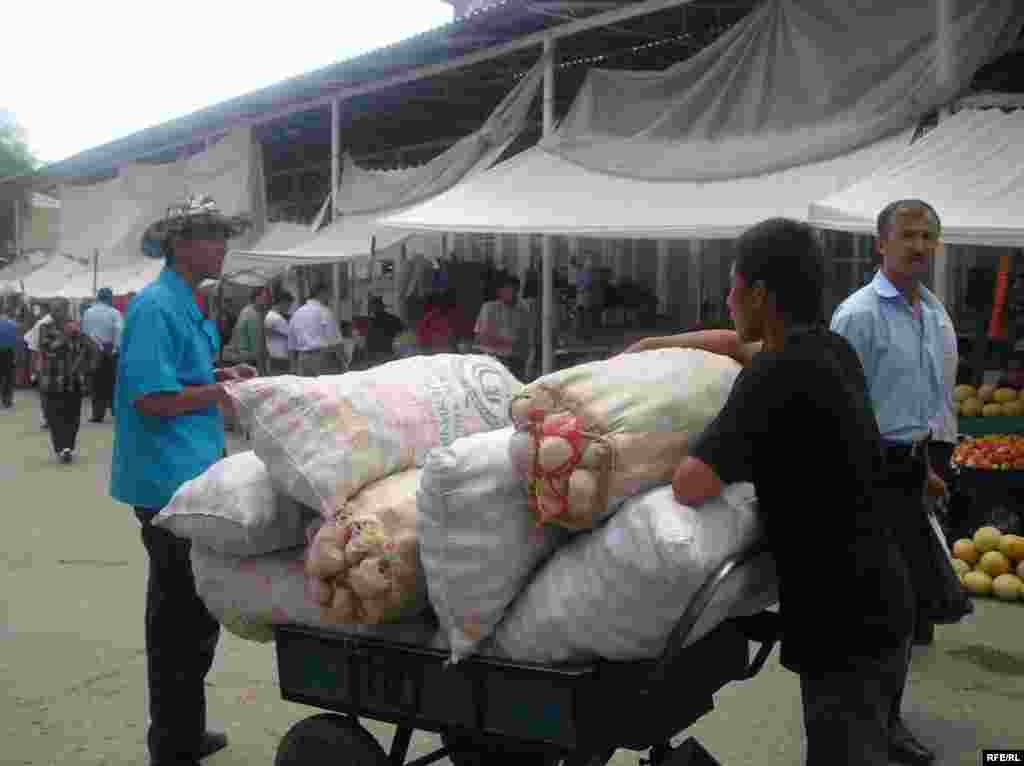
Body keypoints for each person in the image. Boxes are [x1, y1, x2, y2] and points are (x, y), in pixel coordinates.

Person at [665, 219, 915, 766]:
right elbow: (737, 344)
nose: (728, 300)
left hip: (842, 618)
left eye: (733, 286)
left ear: (757, 294)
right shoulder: (830, 351)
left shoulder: (772, 376)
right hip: (884, 595)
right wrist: (655, 347)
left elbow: (691, 483)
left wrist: (663, 448)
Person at [111, 194, 256, 766]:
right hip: (165, 484)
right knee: (177, 620)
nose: (222, 245)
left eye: (224, 234)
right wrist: (220, 391)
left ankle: (183, 729)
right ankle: (172, 745)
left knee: (194, 613)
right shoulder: (155, 306)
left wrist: (221, 376)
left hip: (190, 474)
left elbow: (181, 378)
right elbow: (150, 397)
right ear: (180, 245)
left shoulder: (186, 303)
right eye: (211, 235)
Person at [830, 200, 952, 765]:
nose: (919, 246)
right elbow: (842, 411)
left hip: (912, 469)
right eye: (907, 235)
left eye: (928, 236)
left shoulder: (932, 313)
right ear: (880, 243)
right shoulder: (858, 316)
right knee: (880, 610)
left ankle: (887, 720)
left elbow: (925, 402)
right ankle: (869, 727)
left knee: (907, 611)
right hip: (868, 474)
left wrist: (927, 467)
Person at [39, 311, 99, 463]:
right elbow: (48, 349)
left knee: (73, 418)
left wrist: (88, 369)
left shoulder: (81, 336)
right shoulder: (46, 330)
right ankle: (61, 448)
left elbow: (95, 351)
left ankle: (68, 448)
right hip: (53, 384)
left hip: (74, 384)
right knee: (55, 418)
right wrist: (65, 337)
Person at [475, 274, 531, 379]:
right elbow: (480, 337)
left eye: (514, 291)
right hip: (492, 360)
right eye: (507, 290)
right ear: (500, 291)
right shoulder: (489, 308)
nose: (511, 294)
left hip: (516, 361)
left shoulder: (522, 311)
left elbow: (526, 340)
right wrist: (507, 342)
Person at [81, 287, 124, 423]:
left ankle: (97, 414)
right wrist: (117, 348)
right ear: (109, 298)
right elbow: (119, 330)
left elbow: (85, 332)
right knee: (112, 382)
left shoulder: (88, 312)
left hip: (93, 350)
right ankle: (115, 412)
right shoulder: (114, 313)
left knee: (96, 384)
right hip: (109, 350)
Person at [288, 282, 345, 377]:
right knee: (326, 390)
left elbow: (291, 343)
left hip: (303, 359)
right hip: (323, 359)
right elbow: (335, 339)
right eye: (328, 293)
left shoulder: (297, 313)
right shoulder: (324, 311)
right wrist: (343, 359)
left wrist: (293, 366)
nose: (329, 297)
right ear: (321, 293)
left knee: (307, 390)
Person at [225, 287, 271, 372]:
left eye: (267, 297)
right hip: (248, 358)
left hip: (251, 357)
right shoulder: (250, 313)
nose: (266, 300)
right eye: (264, 297)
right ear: (256, 298)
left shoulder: (254, 311)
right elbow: (242, 334)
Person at [24, 305, 54, 428]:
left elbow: (33, 350)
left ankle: (49, 418)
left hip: (44, 365)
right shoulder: (66, 322)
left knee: (45, 393)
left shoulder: (41, 324)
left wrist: (32, 372)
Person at [365, 295, 405, 363]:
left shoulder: (371, 322)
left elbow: (368, 341)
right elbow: (403, 332)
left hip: (378, 355)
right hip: (388, 353)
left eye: (372, 307)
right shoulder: (393, 319)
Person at [264, 290, 294, 375]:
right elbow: (290, 336)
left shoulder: (271, 316)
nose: (289, 308)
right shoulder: (275, 318)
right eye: (289, 305)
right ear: (283, 302)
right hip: (280, 358)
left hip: (275, 357)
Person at [0, 306, 19, 408]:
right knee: (8, 378)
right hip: (9, 353)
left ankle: (4, 398)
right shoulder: (13, 324)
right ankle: (7, 400)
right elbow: (15, 341)